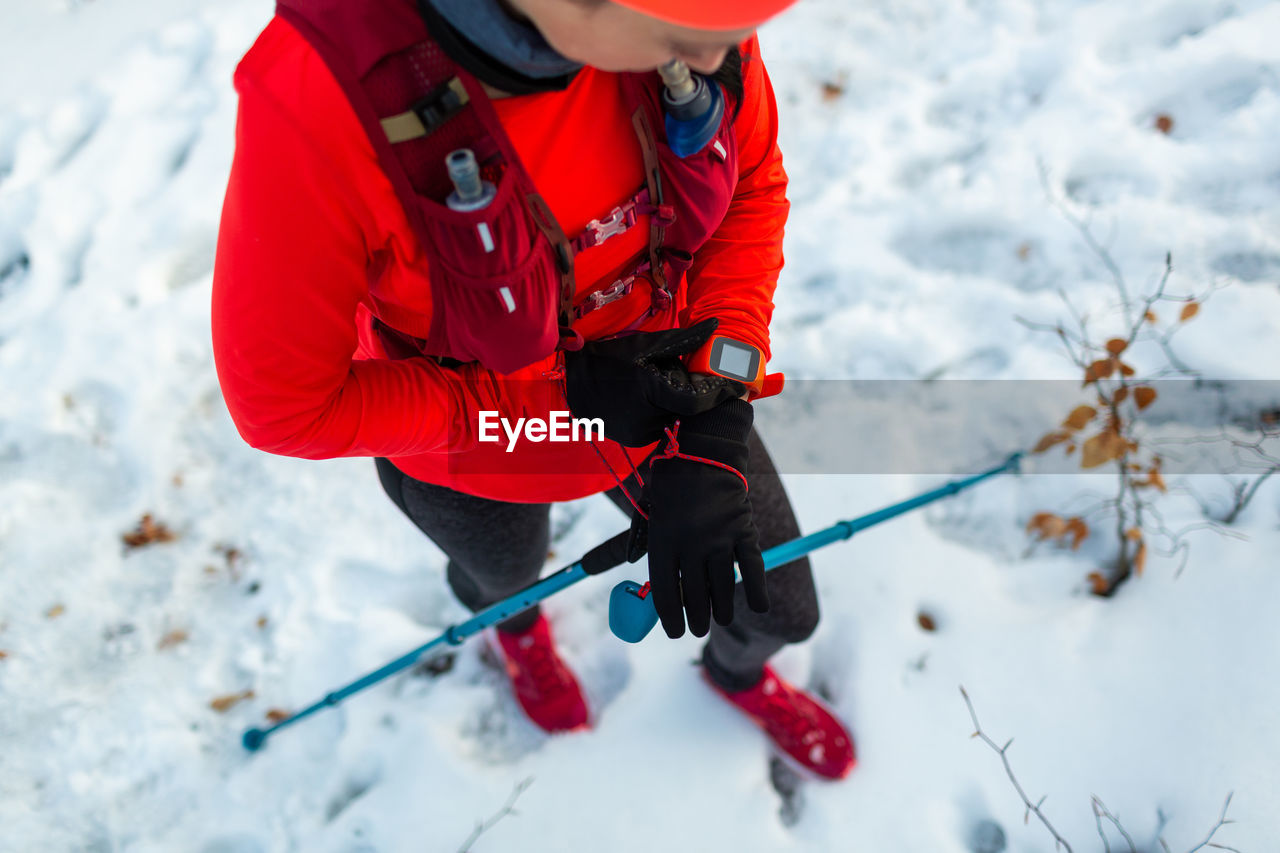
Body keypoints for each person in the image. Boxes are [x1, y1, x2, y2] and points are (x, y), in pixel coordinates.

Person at [212, 0, 855, 779]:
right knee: (504, 572)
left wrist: (718, 394)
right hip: (476, 450)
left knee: (781, 604)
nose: (732, 52)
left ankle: (736, 673)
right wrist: (563, 404)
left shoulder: (702, 28)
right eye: (686, 33)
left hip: (670, 395)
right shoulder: (317, 103)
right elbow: (287, 405)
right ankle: (515, 630)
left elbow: (748, 186)